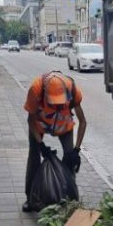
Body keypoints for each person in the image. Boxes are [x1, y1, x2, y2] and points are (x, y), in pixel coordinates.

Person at [22, 71, 86, 212]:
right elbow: (30, 121)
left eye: (60, 103)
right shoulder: (36, 89)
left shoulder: (72, 89)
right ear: (45, 94)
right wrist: (41, 145)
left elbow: (83, 122)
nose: (56, 107)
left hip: (64, 126)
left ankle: (69, 199)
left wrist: (76, 150)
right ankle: (30, 199)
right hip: (39, 125)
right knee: (34, 156)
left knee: (69, 157)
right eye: (53, 103)